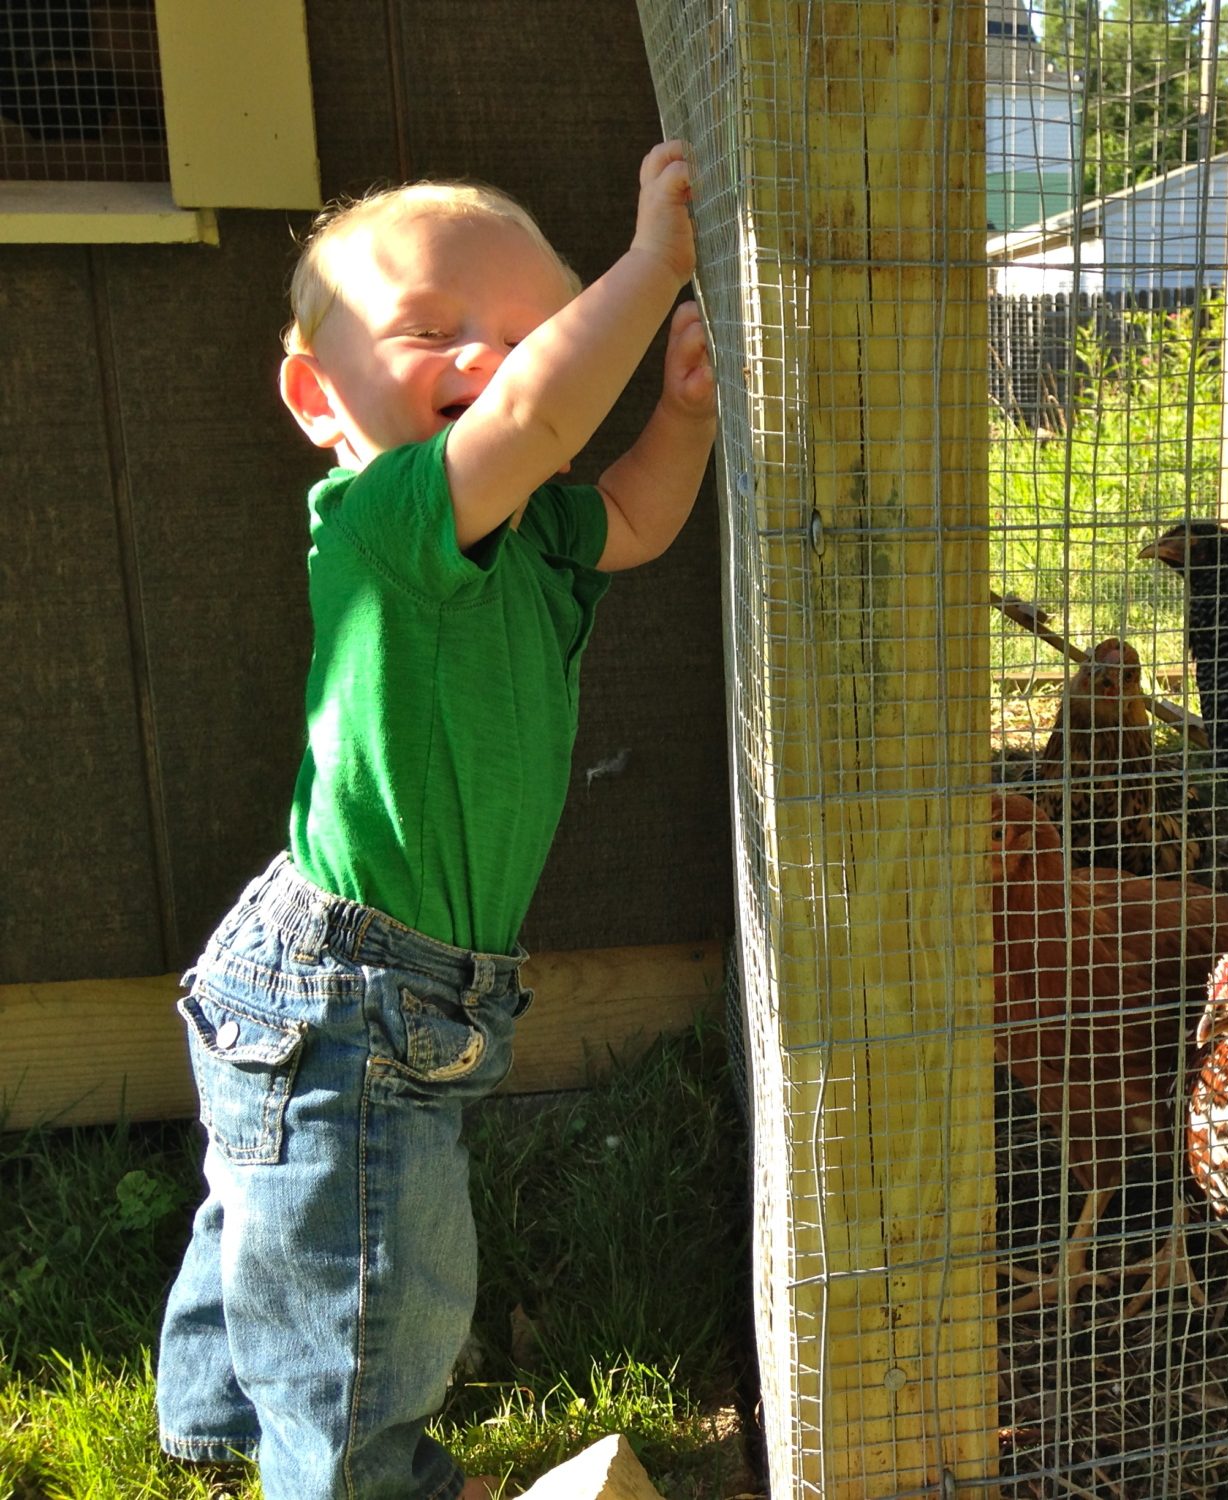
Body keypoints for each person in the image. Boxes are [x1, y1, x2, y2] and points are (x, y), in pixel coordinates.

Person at [155, 142, 717, 1500]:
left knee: (272, 1203)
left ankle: (214, 1423)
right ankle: (350, 1476)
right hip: (352, 994)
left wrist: (683, 419)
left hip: (336, 963)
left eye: (524, 330)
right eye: (430, 329)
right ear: (316, 394)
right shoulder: (388, 518)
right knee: (367, 1283)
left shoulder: (526, 532)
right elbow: (530, 416)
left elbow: (631, 517)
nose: (490, 356)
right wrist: (652, 268)